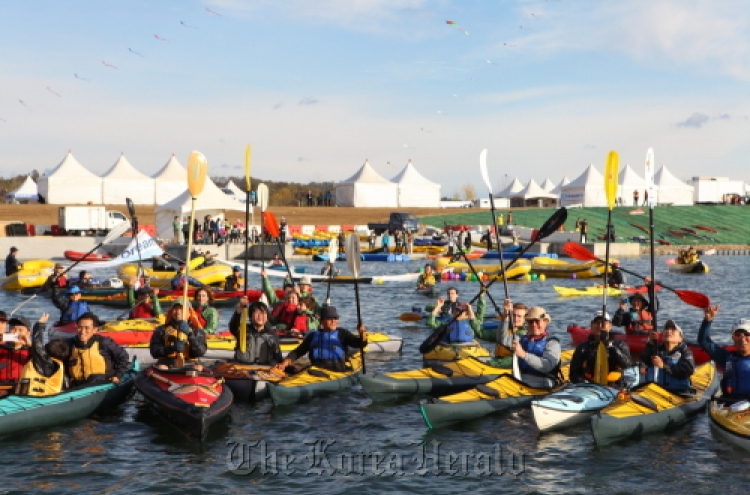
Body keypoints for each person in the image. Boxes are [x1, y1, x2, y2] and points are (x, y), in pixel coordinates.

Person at [275, 306, 367, 373]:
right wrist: (284, 364)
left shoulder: (342, 333)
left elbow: (360, 344)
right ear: (321, 321)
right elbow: (297, 352)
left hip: (337, 370)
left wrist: (362, 333)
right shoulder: (313, 336)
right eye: (330, 318)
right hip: (317, 369)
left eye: (335, 318)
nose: (334, 321)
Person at [498, 306, 562, 389]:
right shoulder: (522, 339)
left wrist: (523, 354)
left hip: (542, 383)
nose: (534, 325)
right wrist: (506, 315)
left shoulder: (552, 343)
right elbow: (502, 339)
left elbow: (547, 366)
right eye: (531, 322)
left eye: (537, 321)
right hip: (520, 379)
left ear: (545, 322)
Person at [65, 312, 130, 387]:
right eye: (79, 327)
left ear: (95, 330)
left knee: (95, 377)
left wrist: (118, 375)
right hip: (76, 385)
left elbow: (123, 356)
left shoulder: (104, 343)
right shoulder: (69, 344)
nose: (82, 331)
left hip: (102, 382)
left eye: (87, 328)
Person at [699, 305, 750, 400]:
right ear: (733, 338)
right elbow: (704, 341)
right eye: (738, 335)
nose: (743, 338)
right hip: (730, 405)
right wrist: (707, 321)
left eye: (747, 334)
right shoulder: (727, 358)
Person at [569, 311, 632, 386]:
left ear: (610, 326)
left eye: (603, 322)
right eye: (596, 323)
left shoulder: (620, 345)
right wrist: (585, 383)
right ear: (591, 326)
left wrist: (610, 347)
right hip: (589, 386)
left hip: (614, 386)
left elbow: (628, 365)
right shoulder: (582, 348)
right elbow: (573, 374)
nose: (599, 325)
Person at [16, 314, 70, 397]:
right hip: (48, 400)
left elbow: (37, 343)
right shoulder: (58, 365)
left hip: (32, 399)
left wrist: (39, 324)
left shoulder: (45, 362)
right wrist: (30, 345)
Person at [640, 319, 695, 392]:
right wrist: (650, 344)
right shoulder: (656, 350)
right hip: (655, 392)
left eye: (673, 329)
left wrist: (664, 366)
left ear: (681, 339)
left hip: (678, 393)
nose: (669, 331)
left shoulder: (685, 351)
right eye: (666, 329)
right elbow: (644, 361)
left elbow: (687, 370)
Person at [149, 300, 208, 368]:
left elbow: (200, 352)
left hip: (190, 364)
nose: (178, 312)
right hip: (167, 363)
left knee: (198, 368)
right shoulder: (161, 330)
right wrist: (171, 348)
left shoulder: (197, 331)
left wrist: (190, 335)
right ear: (171, 312)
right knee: (162, 367)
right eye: (175, 309)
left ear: (189, 313)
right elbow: (154, 352)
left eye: (182, 309)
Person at [228, 299, 283, 365]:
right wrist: (240, 308)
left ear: (267, 317)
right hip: (242, 366)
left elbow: (278, 357)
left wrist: (273, 365)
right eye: (257, 312)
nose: (260, 315)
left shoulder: (271, 335)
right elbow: (233, 326)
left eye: (263, 313)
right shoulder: (243, 330)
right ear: (250, 317)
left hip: (263, 369)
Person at [486, 299, 528, 367]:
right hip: (499, 359)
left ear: (524, 319)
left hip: (510, 365)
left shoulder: (523, 334)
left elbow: (503, 340)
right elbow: (480, 333)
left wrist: (491, 363)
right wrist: (506, 313)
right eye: (513, 315)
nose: (515, 318)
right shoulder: (507, 328)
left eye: (519, 316)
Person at [0, 314, 33, 386]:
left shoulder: (31, 351)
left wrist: (31, 346)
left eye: (20, 330)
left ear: (28, 333)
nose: (16, 333)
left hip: (22, 389)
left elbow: (44, 362)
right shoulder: (1, 347)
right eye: (13, 329)